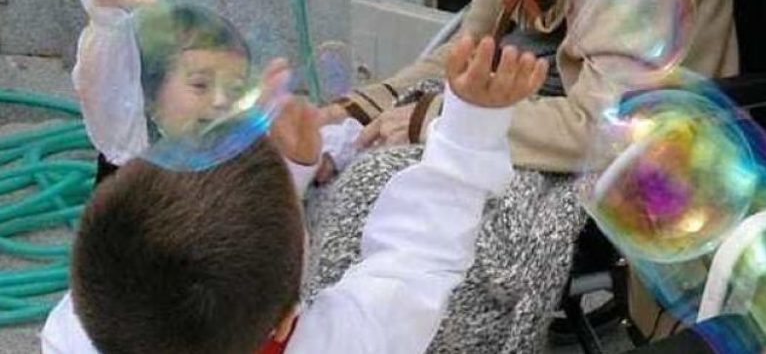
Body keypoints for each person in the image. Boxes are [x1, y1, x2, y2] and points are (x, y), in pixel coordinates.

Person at [308, 0, 738, 350]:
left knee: (395, 201)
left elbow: (603, 128)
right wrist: (364, 105)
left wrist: (446, 120)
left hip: (645, 153)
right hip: (554, 103)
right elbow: (469, 52)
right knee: (359, 168)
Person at [39, 35, 550, 354]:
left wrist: (292, 169)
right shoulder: (341, 342)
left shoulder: (72, 334)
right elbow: (417, 257)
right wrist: (470, 123)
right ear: (285, 321)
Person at [74, 0, 362, 190]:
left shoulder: (237, 147)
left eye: (235, 89)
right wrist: (107, 15)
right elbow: (103, 83)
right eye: (200, 84)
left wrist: (318, 153)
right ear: (151, 97)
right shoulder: (131, 141)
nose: (221, 100)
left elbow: (321, 144)